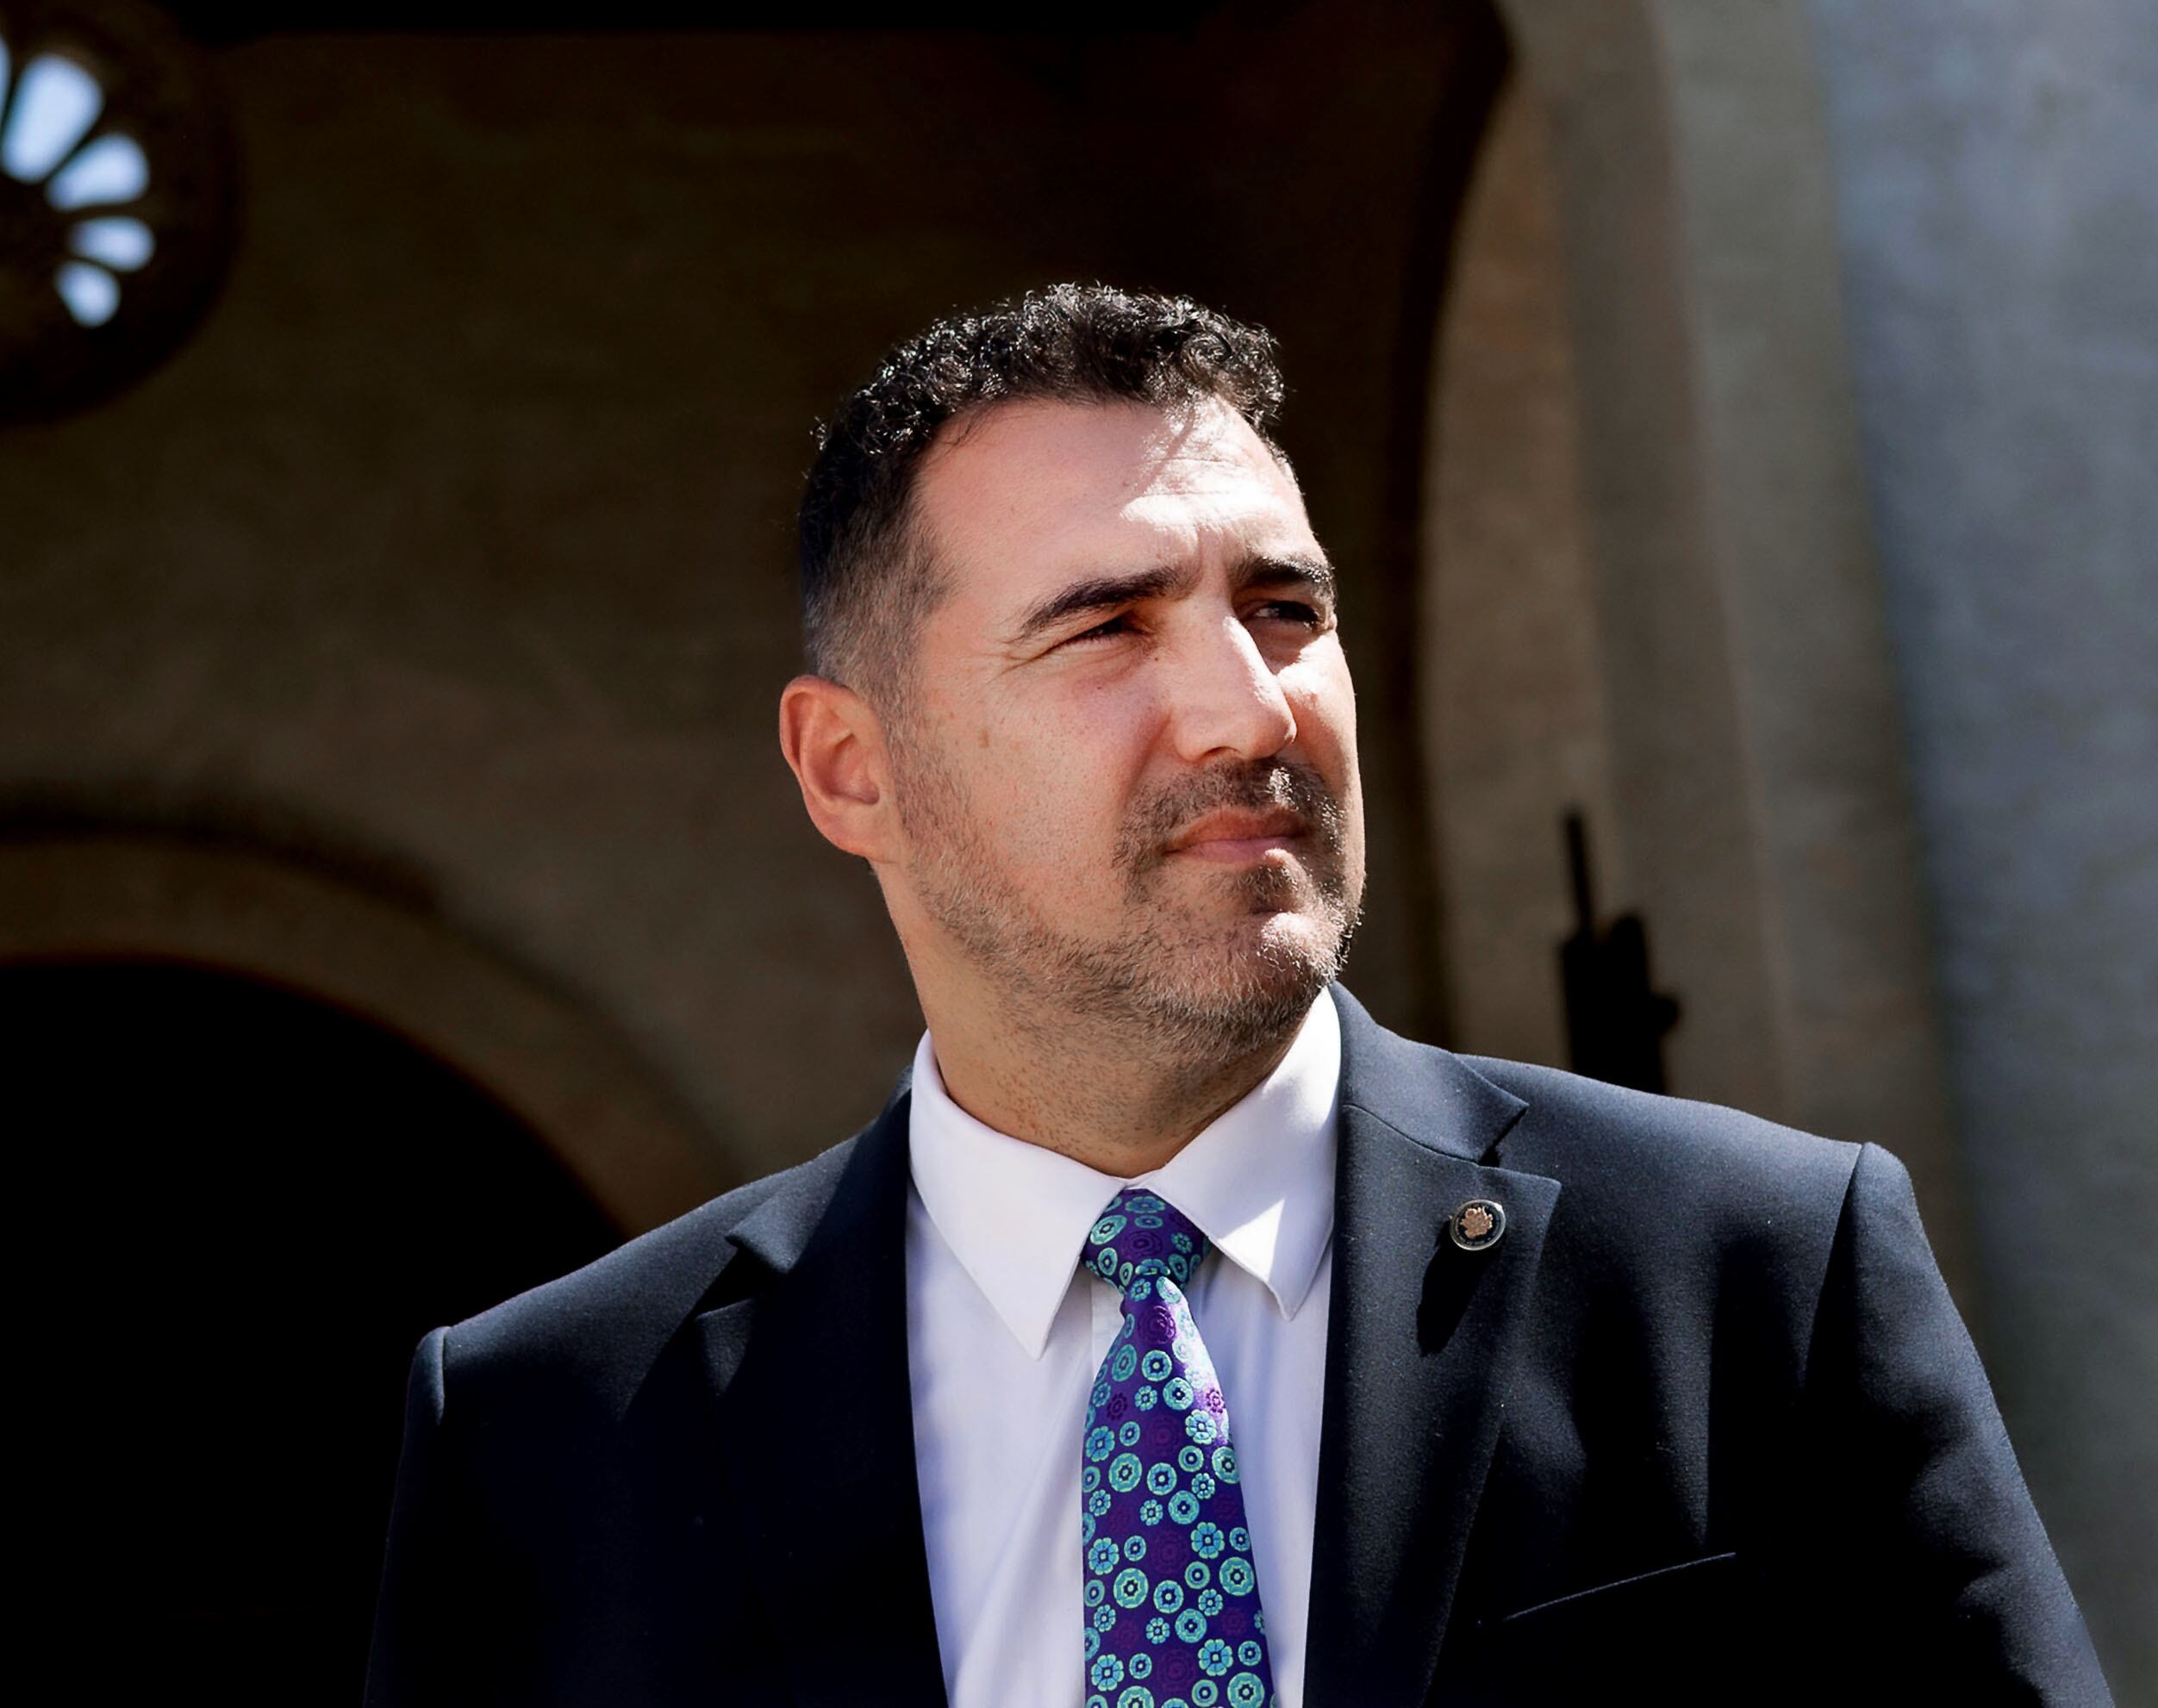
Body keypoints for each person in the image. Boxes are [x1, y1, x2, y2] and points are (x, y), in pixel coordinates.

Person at [363, 284, 2107, 1707]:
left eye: (1285, 608)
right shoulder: (545, 1439)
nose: (1249, 710)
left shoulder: (1761, 1285)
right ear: (852, 771)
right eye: (1107, 628)